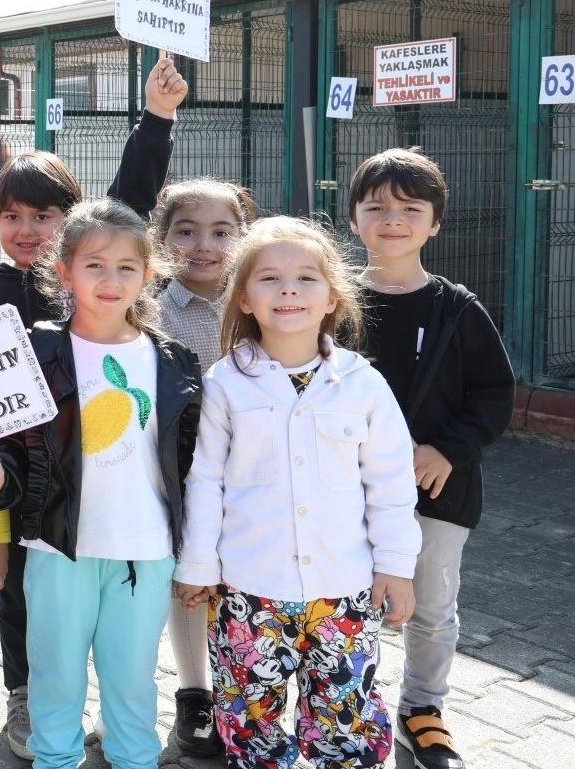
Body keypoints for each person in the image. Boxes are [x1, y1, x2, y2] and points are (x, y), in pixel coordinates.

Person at [0, 56, 188, 759]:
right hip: (51, 533)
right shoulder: (3, 315)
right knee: (45, 661)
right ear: (68, 273)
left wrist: (156, 118)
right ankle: (27, 704)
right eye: (12, 216)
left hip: (141, 550)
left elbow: (128, 203)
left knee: (129, 685)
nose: (28, 228)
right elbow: (5, 436)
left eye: (45, 216)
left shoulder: (169, 359)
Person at [173, 215, 421, 769]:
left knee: (344, 718)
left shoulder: (363, 384)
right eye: (270, 278)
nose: (289, 289)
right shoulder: (224, 383)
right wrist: (198, 564)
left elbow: (391, 482)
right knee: (249, 718)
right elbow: (206, 480)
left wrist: (397, 566)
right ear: (242, 299)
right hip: (248, 589)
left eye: (306, 278)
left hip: (344, 591)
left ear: (333, 296)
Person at [347, 149, 514, 769]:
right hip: (347, 491)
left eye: (410, 208)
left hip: (437, 490)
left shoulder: (458, 308)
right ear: (354, 217)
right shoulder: (328, 301)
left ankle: (422, 708)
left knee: (432, 606)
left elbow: (495, 395)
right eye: (377, 206)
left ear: (435, 222)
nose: (393, 219)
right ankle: (348, 702)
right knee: (345, 602)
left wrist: (449, 448)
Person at [150, 178, 255, 758]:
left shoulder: (262, 298)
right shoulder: (152, 310)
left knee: (243, 578)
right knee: (187, 579)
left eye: (221, 231)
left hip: (251, 472)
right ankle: (194, 694)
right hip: (180, 471)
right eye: (185, 231)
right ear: (161, 240)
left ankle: (247, 689)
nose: (204, 245)